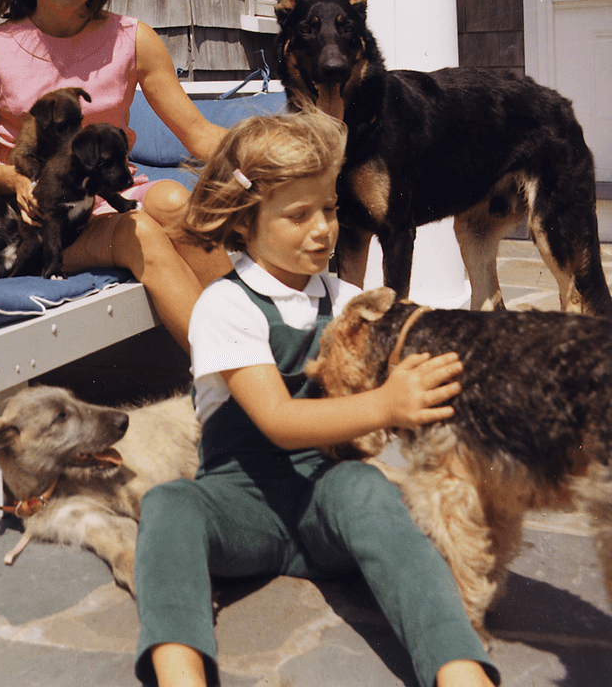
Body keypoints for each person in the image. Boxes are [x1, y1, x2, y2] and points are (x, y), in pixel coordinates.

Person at [133, 108, 498, 687]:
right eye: (299, 215)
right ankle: (181, 674)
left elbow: (410, 345)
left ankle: (457, 669)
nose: (324, 229)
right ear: (245, 224)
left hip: (327, 497)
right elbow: (277, 420)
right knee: (169, 506)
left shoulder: (345, 295)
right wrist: (385, 406)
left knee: (369, 488)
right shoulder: (225, 306)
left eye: (329, 208)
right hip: (241, 504)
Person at [0, 0, 230, 349]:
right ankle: (234, 374)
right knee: (140, 231)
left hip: (114, 200)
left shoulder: (133, 39)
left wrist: (278, 155)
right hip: (41, 222)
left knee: (171, 199)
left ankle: (266, 344)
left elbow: (199, 133)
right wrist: (16, 180)